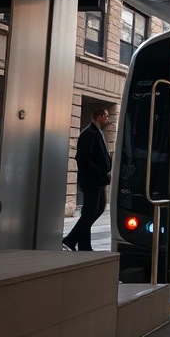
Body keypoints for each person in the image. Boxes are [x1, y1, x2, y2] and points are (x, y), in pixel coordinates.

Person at [63, 108, 112, 251]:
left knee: (97, 209)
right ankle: (71, 239)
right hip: (92, 181)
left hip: (99, 180)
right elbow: (83, 159)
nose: (108, 119)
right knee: (91, 212)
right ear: (99, 117)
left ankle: (82, 244)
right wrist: (101, 173)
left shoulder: (97, 133)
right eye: (106, 116)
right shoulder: (89, 134)